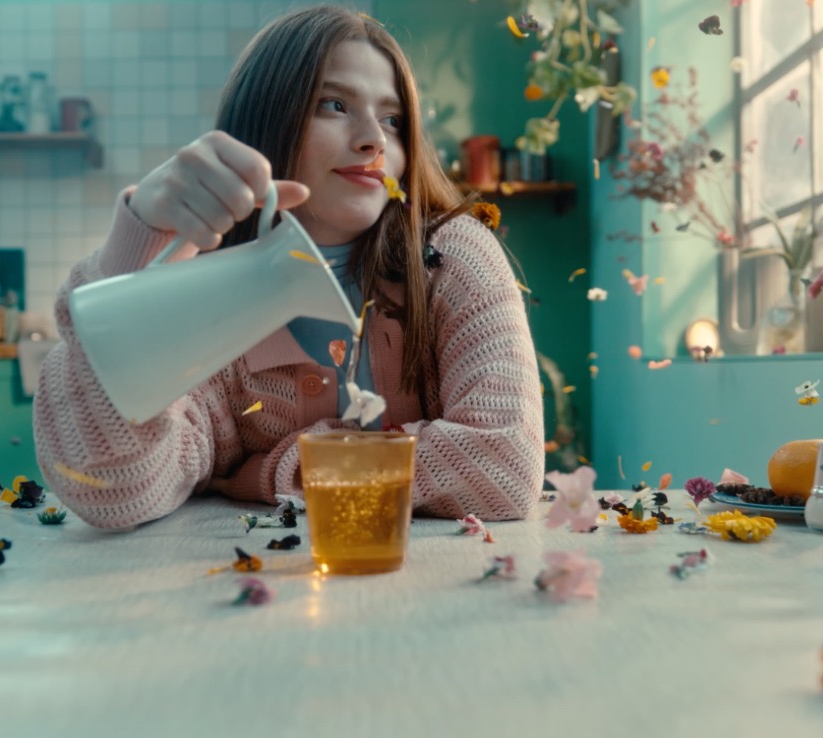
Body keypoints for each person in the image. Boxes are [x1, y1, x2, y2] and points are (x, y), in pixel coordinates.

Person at [34, 5, 544, 530]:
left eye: (393, 119)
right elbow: (111, 489)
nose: (374, 140)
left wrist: (273, 471)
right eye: (334, 104)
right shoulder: (208, 296)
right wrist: (132, 257)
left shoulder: (453, 257)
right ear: (267, 119)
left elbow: (505, 467)